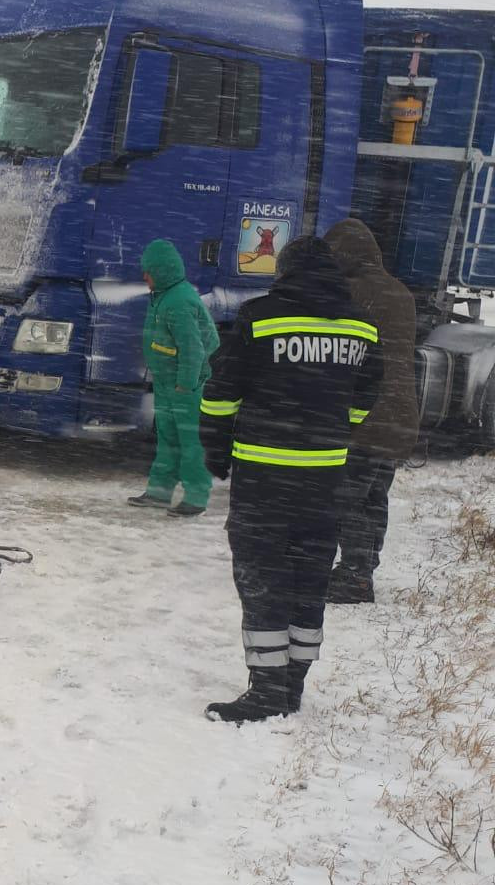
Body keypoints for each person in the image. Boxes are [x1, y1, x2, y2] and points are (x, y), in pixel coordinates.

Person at [199, 237, 384, 723]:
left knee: (262, 578)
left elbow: (221, 391)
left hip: (265, 478)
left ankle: (265, 690)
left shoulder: (260, 317)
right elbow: (368, 391)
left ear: (286, 272)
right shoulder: (362, 327)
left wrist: (214, 448)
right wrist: (341, 427)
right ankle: (292, 685)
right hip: (325, 480)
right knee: (309, 579)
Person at [324, 218, 419, 603]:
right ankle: (363, 571)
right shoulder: (400, 291)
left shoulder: (350, 293)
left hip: (367, 414)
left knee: (348, 498)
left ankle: (354, 577)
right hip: (400, 413)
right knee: (375, 496)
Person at [127, 239, 220, 518]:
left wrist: (186, 383)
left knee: (191, 440)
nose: (144, 277)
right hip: (169, 382)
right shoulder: (163, 296)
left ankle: (196, 496)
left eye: (149, 271)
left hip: (186, 385)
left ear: (163, 271)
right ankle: (160, 491)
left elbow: (193, 348)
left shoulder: (178, 301)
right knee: (168, 437)